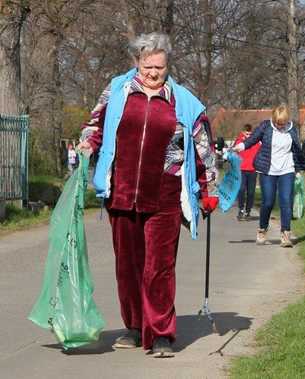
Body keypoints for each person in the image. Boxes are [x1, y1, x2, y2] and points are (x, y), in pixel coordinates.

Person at [76, 32, 218, 357]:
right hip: (122, 193)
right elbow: (94, 125)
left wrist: (208, 188)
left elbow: (203, 148)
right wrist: (87, 143)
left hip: (165, 195)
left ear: (168, 65)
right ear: (136, 62)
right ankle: (135, 326)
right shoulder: (117, 91)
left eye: (159, 66)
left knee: (160, 266)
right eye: (147, 65)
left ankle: (161, 333)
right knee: (127, 266)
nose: (152, 72)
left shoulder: (182, 100)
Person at [233, 104, 305, 248]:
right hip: (268, 170)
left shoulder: (292, 130)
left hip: (287, 170)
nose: (280, 126)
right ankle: (262, 229)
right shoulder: (266, 127)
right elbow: (252, 139)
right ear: (273, 119)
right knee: (268, 202)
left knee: (286, 201)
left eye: (282, 123)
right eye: (278, 123)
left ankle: (285, 234)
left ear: (287, 120)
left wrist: (299, 169)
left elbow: (297, 151)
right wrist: (240, 147)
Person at [234, 124, 261, 221]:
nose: (248, 136)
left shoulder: (256, 142)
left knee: (251, 192)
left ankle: (248, 211)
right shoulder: (239, 141)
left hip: (253, 170)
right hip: (241, 170)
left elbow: (260, 153)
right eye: (247, 134)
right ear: (243, 132)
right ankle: (241, 209)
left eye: (250, 134)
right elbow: (234, 153)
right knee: (241, 190)